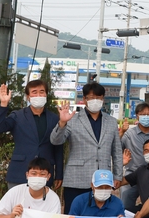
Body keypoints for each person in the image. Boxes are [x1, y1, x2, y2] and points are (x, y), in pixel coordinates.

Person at [51, 81, 122, 211]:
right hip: (77, 178)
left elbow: (117, 151)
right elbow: (56, 141)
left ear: (103, 99)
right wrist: (62, 123)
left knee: (100, 216)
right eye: (91, 97)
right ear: (84, 99)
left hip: (103, 179)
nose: (95, 100)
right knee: (73, 215)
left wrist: (118, 176)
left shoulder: (111, 122)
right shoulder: (72, 120)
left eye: (99, 98)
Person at [0, 81, 63, 190]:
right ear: (28, 97)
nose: (38, 95)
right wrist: (3, 104)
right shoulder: (17, 116)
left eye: (42, 92)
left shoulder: (54, 118)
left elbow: (58, 147)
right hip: (20, 172)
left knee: (41, 206)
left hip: (44, 174)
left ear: (46, 95)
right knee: (17, 206)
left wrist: (59, 174)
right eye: (34, 92)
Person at [119, 102, 149, 208]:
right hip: (132, 174)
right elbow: (116, 148)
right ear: (137, 115)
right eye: (143, 114)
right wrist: (121, 133)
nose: (146, 117)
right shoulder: (129, 134)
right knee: (126, 200)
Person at [122, 138, 149, 214]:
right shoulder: (141, 170)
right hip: (144, 210)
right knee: (122, 213)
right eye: (146, 151)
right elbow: (118, 183)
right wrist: (122, 164)